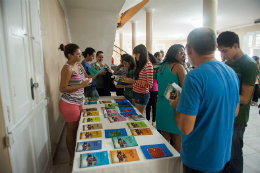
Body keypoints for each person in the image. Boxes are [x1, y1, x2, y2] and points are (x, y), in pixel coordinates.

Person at [169, 27, 240, 173]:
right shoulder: (231, 72)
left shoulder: (194, 77)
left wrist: (177, 106)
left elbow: (185, 128)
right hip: (223, 154)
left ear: (188, 49)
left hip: (200, 158)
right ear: (215, 47)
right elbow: (235, 111)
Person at [217, 31, 259, 173]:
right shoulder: (227, 62)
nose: (222, 55)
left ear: (235, 46)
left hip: (238, 118)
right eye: (220, 51)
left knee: (234, 155)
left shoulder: (249, 65)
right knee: (224, 154)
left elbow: (245, 98)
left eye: (224, 51)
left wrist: (220, 94)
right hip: (224, 114)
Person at [58, 43, 91, 165]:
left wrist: (89, 79)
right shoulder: (67, 68)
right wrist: (81, 85)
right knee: (72, 131)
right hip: (69, 103)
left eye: (80, 53)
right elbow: (62, 88)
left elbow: (86, 77)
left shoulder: (79, 65)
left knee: (79, 128)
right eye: (77, 54)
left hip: (78, 101)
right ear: (70, 55)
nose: (80, 55)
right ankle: (72, 159)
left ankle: (77, 154)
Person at [156, 44, 186, 153]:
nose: (183, 56)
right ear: (173, 53)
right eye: (181, 53)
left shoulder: (162, 67)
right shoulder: (178, 67)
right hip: (173, 105)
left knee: (164, 138)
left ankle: (164, 163)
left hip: (161, 104)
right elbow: (185, 89)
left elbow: (163, 86)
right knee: (178, 139)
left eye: (184, 54)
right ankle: (175, 167)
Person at [123, 44, 153, 115]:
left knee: (139, 116)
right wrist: (128, 79)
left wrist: (134, 81)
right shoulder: (139, 64)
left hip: (142, 94)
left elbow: (149, 85)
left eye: (137, 54)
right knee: (134, 114)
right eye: (134, 54)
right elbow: (138, 80)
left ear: (142, 53)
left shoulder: (148, 65)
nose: (135, 56)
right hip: (135, 91)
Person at [146, 53, 158, 128]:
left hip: (154, 88)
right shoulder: (146, 66)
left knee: (153, 106)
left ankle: (153, 121)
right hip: (148, 88)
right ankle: (148, 120)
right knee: (148, 105)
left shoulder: (156, 66)